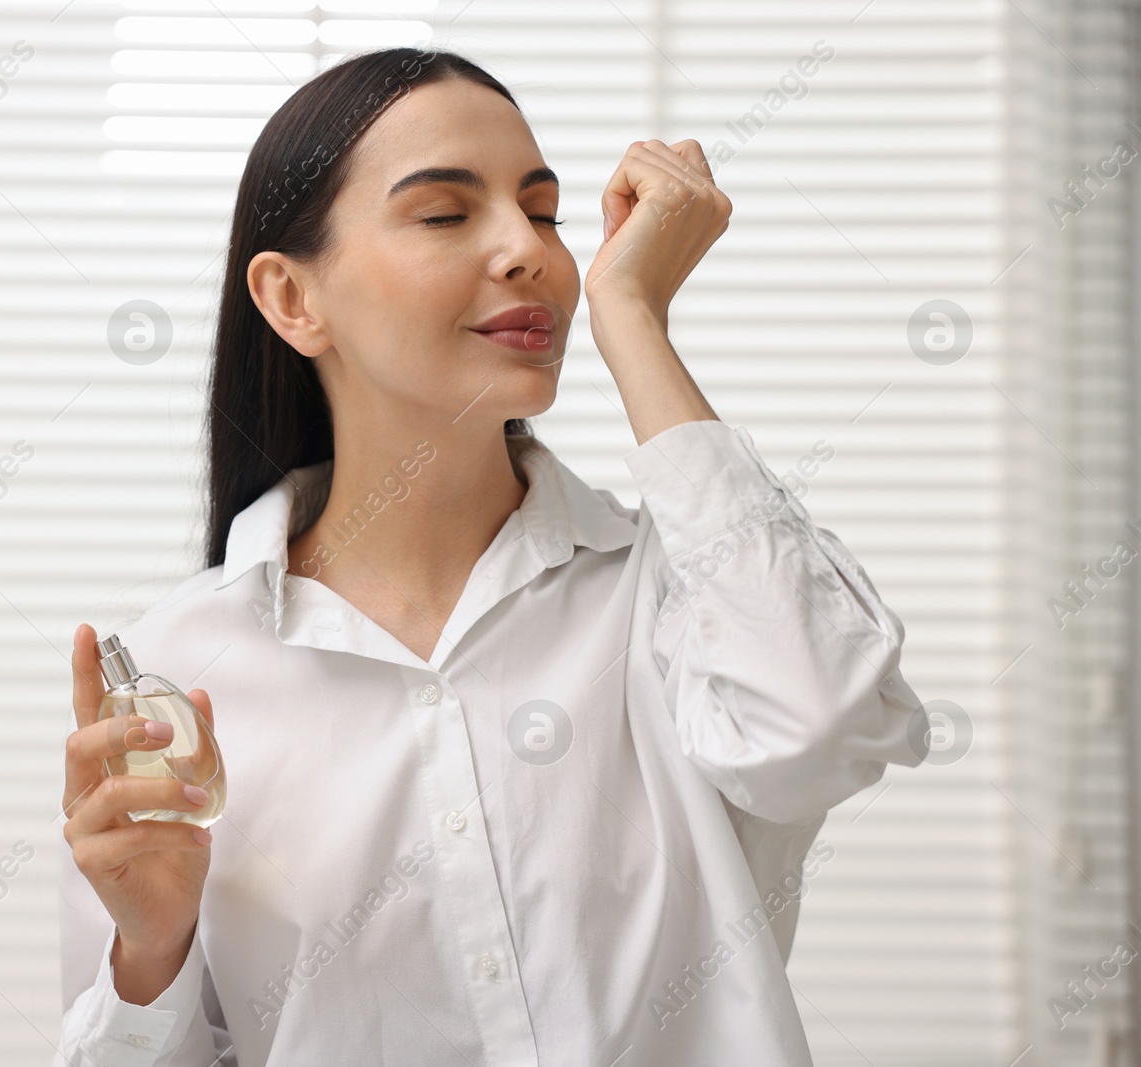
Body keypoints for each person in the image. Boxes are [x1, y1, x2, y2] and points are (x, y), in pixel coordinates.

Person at [53, 47, 925, 1066]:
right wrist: (151, 954)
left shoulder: (683, 599)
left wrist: (633, 319)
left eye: (546, 212)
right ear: (293, 300)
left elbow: (826, 725)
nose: (528, 251)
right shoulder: (184, 679)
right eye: (444, 213)